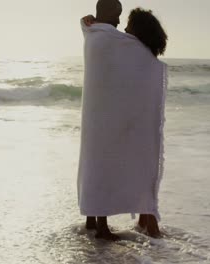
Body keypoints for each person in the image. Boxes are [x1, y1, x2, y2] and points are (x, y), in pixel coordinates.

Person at [78, 0, 168, 241]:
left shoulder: (95, 35)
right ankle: (102, 228)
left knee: (95, 165)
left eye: (124, 20)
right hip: (107, 117)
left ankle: (93, 221)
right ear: (106, 13)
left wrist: (87, 23)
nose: (119, 23)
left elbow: (90, 29)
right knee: (101, 166)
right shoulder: (110, 38)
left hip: (97, 115)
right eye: (117, 16)